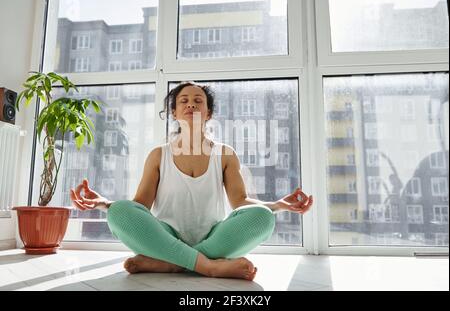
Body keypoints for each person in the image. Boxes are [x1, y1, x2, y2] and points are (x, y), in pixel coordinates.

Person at [70, 82, 313, 281]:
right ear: (174, 112)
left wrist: (278, 205)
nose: (191, 105)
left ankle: (170, 263)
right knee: (120, 211)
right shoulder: (158, 155)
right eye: (183, 101)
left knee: (262, 217)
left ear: (208, 113)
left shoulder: (225, 153)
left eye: (198, 101)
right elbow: (139, 207)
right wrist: (104, 204)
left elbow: (240, 202)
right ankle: (210, 267)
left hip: (215, 238)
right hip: (164, 236)